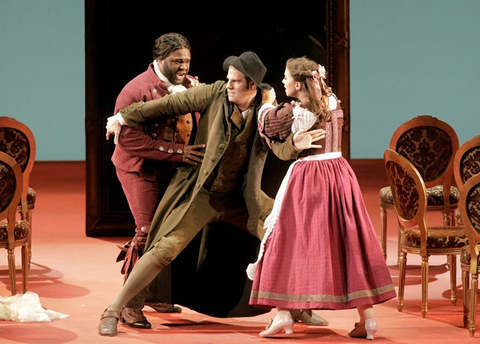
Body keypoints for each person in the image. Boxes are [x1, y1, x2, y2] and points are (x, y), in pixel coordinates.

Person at [98, 51, 327, 336]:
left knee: (286, 232)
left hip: (241, 199)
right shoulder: (215, 93)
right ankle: (113, 309)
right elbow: (169, 104)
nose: (228, 85)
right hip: (203, 195)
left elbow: (277, 148)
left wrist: (294, 142)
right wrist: (123, 116)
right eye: (228, 79)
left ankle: (296, 306)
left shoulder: (265, 110)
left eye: (235, 81)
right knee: (165, 249)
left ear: (251, 86)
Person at [247, 57, 396, 340]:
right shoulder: (331, 101)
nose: (282, 81)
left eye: (286, 77)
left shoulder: (295, 112)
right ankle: (368, 319)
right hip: (339, 173)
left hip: (310, 178)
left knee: (291, 242)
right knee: (349, 241)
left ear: (299, 84)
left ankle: (281, 314)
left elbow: (265, 124)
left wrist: (267, 100)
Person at [110, 32, 205, 329]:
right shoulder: (136, 90)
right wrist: (178, 152)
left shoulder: (189, 86)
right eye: (177, 61)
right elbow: (128, 140)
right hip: (140, 169)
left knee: (169, 230)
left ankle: (158, 295)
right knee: (147, 232)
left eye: (187, 61)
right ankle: (128, 306)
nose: (183, 67)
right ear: (160, 59)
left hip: (172, 169)